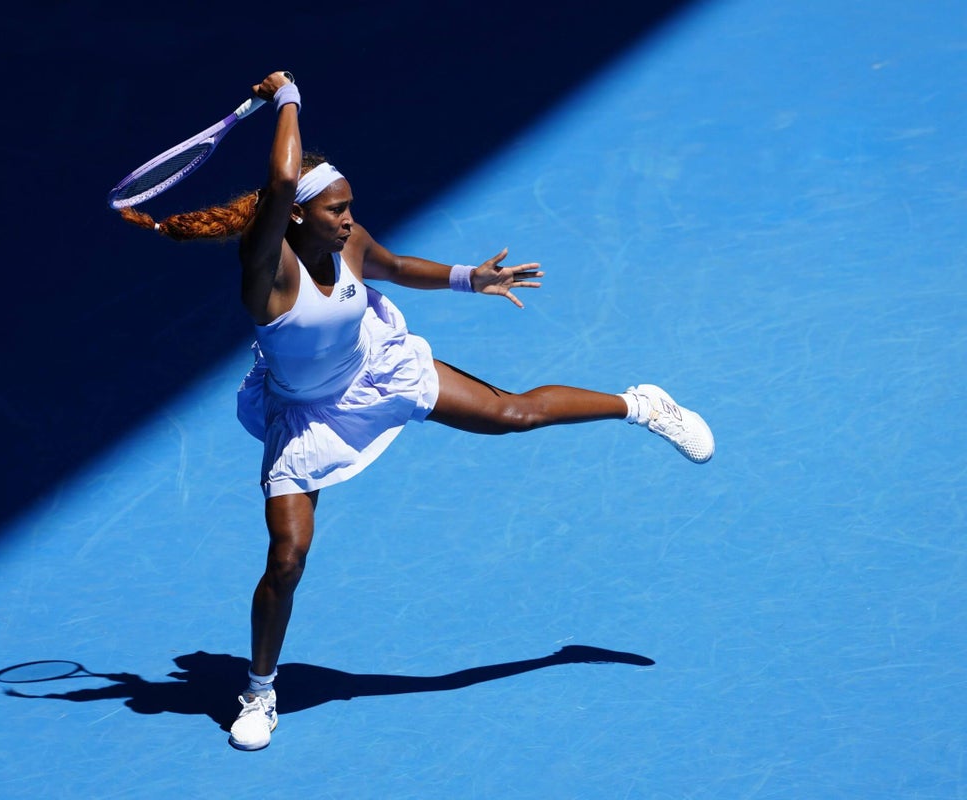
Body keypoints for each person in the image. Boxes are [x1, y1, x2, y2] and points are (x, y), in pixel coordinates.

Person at [119, 71, 714, 751]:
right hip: (307, 417)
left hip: (378, 370)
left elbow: (395, 267)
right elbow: (280, 182)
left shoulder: (346, 242)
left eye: (350, 206)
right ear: (296, 216)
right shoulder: (270, 269)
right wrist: (287, 97)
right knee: (286, 559)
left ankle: (642, 405)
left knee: (511, 414)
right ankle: (258, 692)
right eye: (336, 209)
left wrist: (469, 278)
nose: (349, 218)